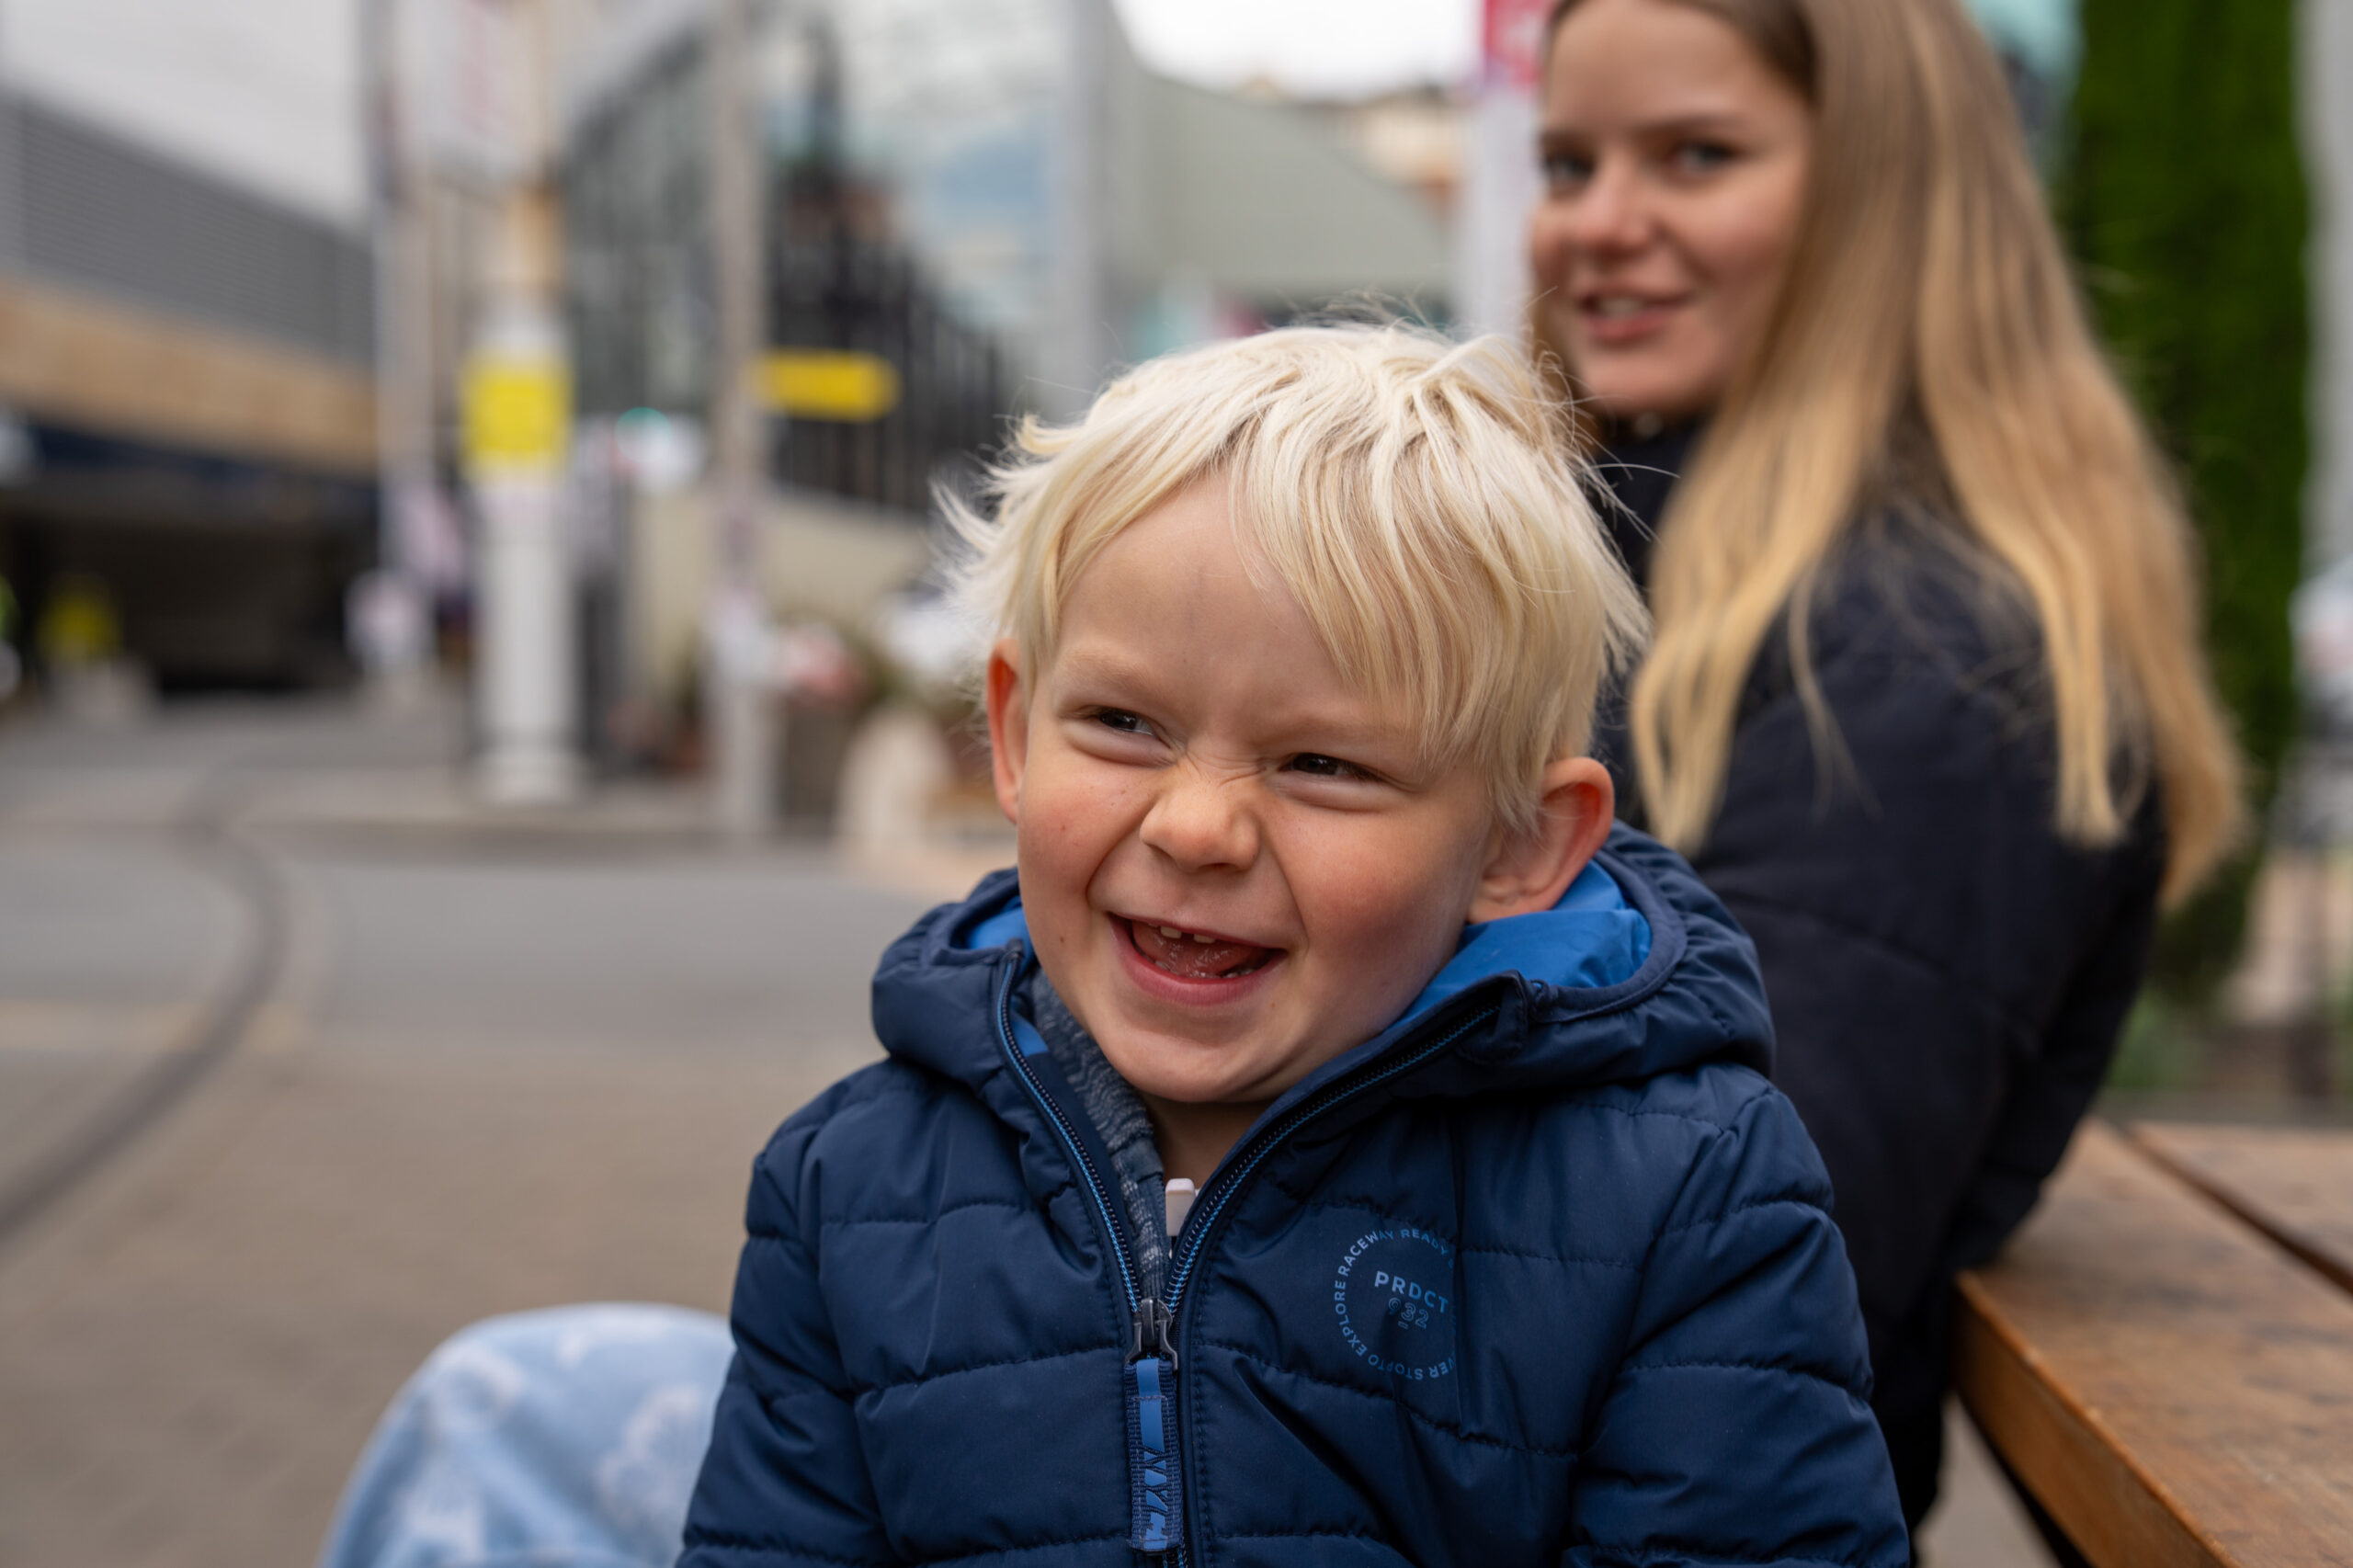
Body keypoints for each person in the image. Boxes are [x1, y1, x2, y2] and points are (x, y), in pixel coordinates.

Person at [670, 324, 1907, 1565]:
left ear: (1518, 843)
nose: (1196, 827)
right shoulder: (847, 1193)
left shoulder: (1686, 1199)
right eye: (1123, 723)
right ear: (1014, 734)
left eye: (1323, 763)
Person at [1527, 0, 2244, 1534]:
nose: (1599, 223)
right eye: (1568, 163)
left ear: (1890, 194)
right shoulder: (1655, 556)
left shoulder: (1935, 662)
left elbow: (1766, 1240)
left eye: (1696, 155)